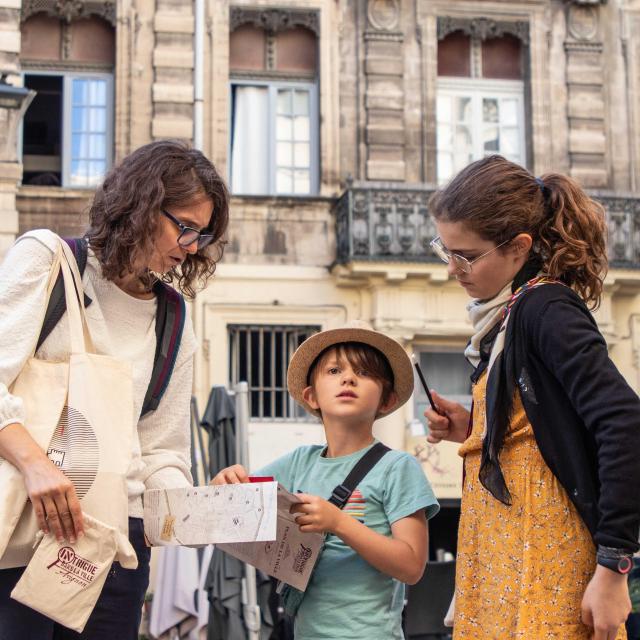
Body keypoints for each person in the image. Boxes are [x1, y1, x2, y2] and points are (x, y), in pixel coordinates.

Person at [0, 139, 229, 639]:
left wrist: (206, 508)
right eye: (184, 227)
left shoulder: (172, 316)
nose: (191, 246)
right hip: (25, 525)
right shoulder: (49, 260)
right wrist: (35, 465)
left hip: (117, 548)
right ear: (140, 204)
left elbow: (161, 450)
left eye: (202, 234)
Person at [423, 155, 640, 640]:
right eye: (446, 250)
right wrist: (474, 426)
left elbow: (624, 421)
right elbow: (538, 423)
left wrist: (613, 566)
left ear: (520, 247)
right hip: (508, 553)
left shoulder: (544, 307)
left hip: (543, 554)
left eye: (467, 255)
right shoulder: (510, 313)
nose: (453, 269)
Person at [212, 322, 440, 640]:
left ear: (386, 400)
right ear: (311, 396)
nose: (348, 378)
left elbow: (412, 566)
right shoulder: (298, 462)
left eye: (364, 372)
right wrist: (223, 482)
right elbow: (229, 508)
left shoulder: (397, 467)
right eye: (334, 371)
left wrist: (339, 523)